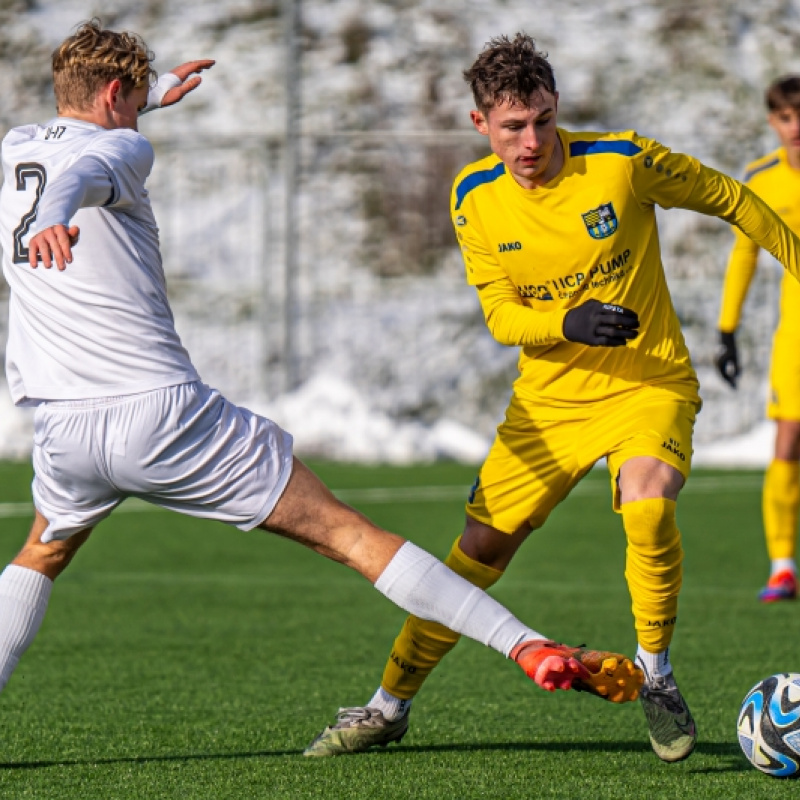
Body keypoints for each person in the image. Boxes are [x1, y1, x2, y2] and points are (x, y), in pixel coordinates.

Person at [0, 21, 646, 747]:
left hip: (61, 425)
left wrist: (143, 105)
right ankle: (527, 645)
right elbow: (84, 171)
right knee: (349, 535)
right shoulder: (122, 145)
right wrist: (65, 207)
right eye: (137, 93)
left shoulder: (17, 143)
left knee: (41, 555)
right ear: (116, 93)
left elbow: (69, 153)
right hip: (161, 415)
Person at [305, 33, 800, 764]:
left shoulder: (622, 165)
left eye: (542, 119)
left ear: (556, 106)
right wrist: (566, 323)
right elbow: (503, 318)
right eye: (513, 127)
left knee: (650, 504)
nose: (532, 140)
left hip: (647, 382)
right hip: (548, 407)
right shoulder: (474, 199)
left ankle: (656, 676)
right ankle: (388, 705)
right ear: (482, 127)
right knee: (473, 556)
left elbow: (733, 200)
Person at [716, 75, 800, 604]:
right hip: (795, 332)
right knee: (789, 439)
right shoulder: (761, 179)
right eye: (787, 118)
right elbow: (744, 255)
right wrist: (728, 330)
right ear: (773, 121)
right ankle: (782, 566)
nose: (797, 128)